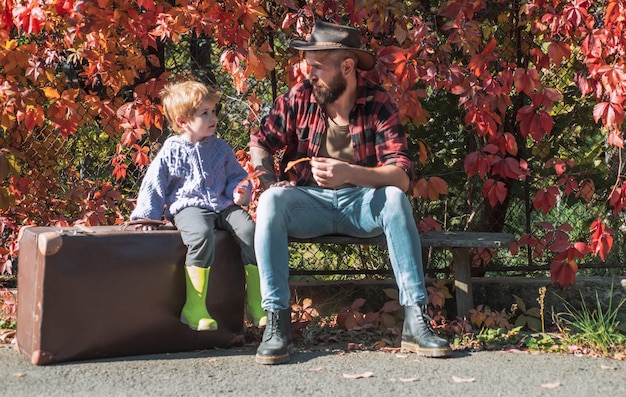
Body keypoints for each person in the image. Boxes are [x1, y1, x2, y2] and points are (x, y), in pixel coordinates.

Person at [249, 20, 452, 365]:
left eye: (317, 67)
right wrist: (269, 182)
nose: (308, 74)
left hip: (361, 205)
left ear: (347, 66)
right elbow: (260, 141)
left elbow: (401, 175)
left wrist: (350, 173)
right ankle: (277, 325)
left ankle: (416, 322)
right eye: (306, 66)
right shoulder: (300, 96)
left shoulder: (378, 102)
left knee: (394, 199)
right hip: (309, 203)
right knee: (271, 202)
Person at [130, 80, 266, 331]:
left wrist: (240, 190)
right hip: (188, 206)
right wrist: (145, 217)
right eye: (205, 113)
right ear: (183, 121)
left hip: (222, 204)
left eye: (213, 112)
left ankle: (257, 304)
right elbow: (154, 182)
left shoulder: (220, 147)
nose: (213, 118)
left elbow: (237, 176)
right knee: (201, 235)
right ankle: (194, 307)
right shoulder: (172, 149)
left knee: (250, 231)